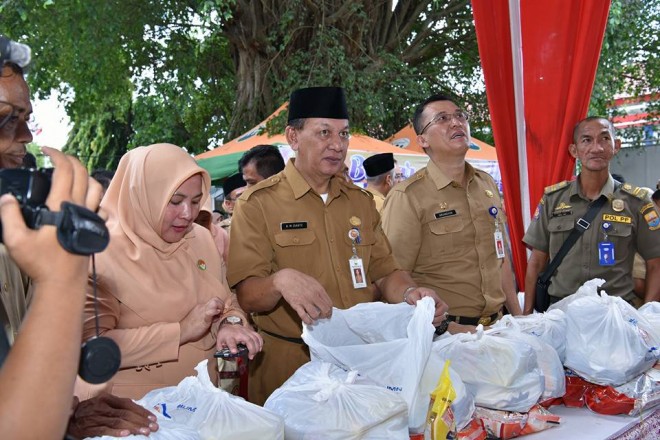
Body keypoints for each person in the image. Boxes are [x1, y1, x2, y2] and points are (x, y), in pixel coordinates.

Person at [227, 86, 449, 405]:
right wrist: (279, 281)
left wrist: (411, 294)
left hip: (361, 364)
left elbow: (385, 274)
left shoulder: (359, 203)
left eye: (344, 134)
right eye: (324, 133)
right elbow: (247, 295)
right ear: (293, 137)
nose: (337, 144)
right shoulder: (258, 204)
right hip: (292, 369)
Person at [0, 52, 158, 439]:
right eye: (6, 119)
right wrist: (61, 280)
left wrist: (65, 411)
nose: (25, 138)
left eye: (24, 119)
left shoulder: (17, 242)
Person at [79, 143, 262, 400]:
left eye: (196, 201)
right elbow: (91, 349)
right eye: (175, 202)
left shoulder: (199, 238)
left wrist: (229, 323)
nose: (187, 214)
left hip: (204, 399)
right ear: (143, 196)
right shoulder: (98, 254)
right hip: (136, 412)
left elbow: (227, 300)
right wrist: (181, 331)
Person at [382, 93, 522, 332]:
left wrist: (519, 319)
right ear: (423, 140)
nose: (456, 123)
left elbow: (500, 260)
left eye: (460, 116)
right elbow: (391, 276)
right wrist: (445, 327)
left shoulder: (486, 185)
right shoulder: (408, 196)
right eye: (442, 118)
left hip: (499, 327)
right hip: (445, 334)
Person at [523, 116, 660, 312]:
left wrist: (646, 315)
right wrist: (526, 315)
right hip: (562, 316)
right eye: (587, 140)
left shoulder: (637, 203)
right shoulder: (553, 200)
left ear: (616, 146)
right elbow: (536, 262)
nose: (596, 148)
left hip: (616, 316)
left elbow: (656, 263)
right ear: (574, 150)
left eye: (604, 138)